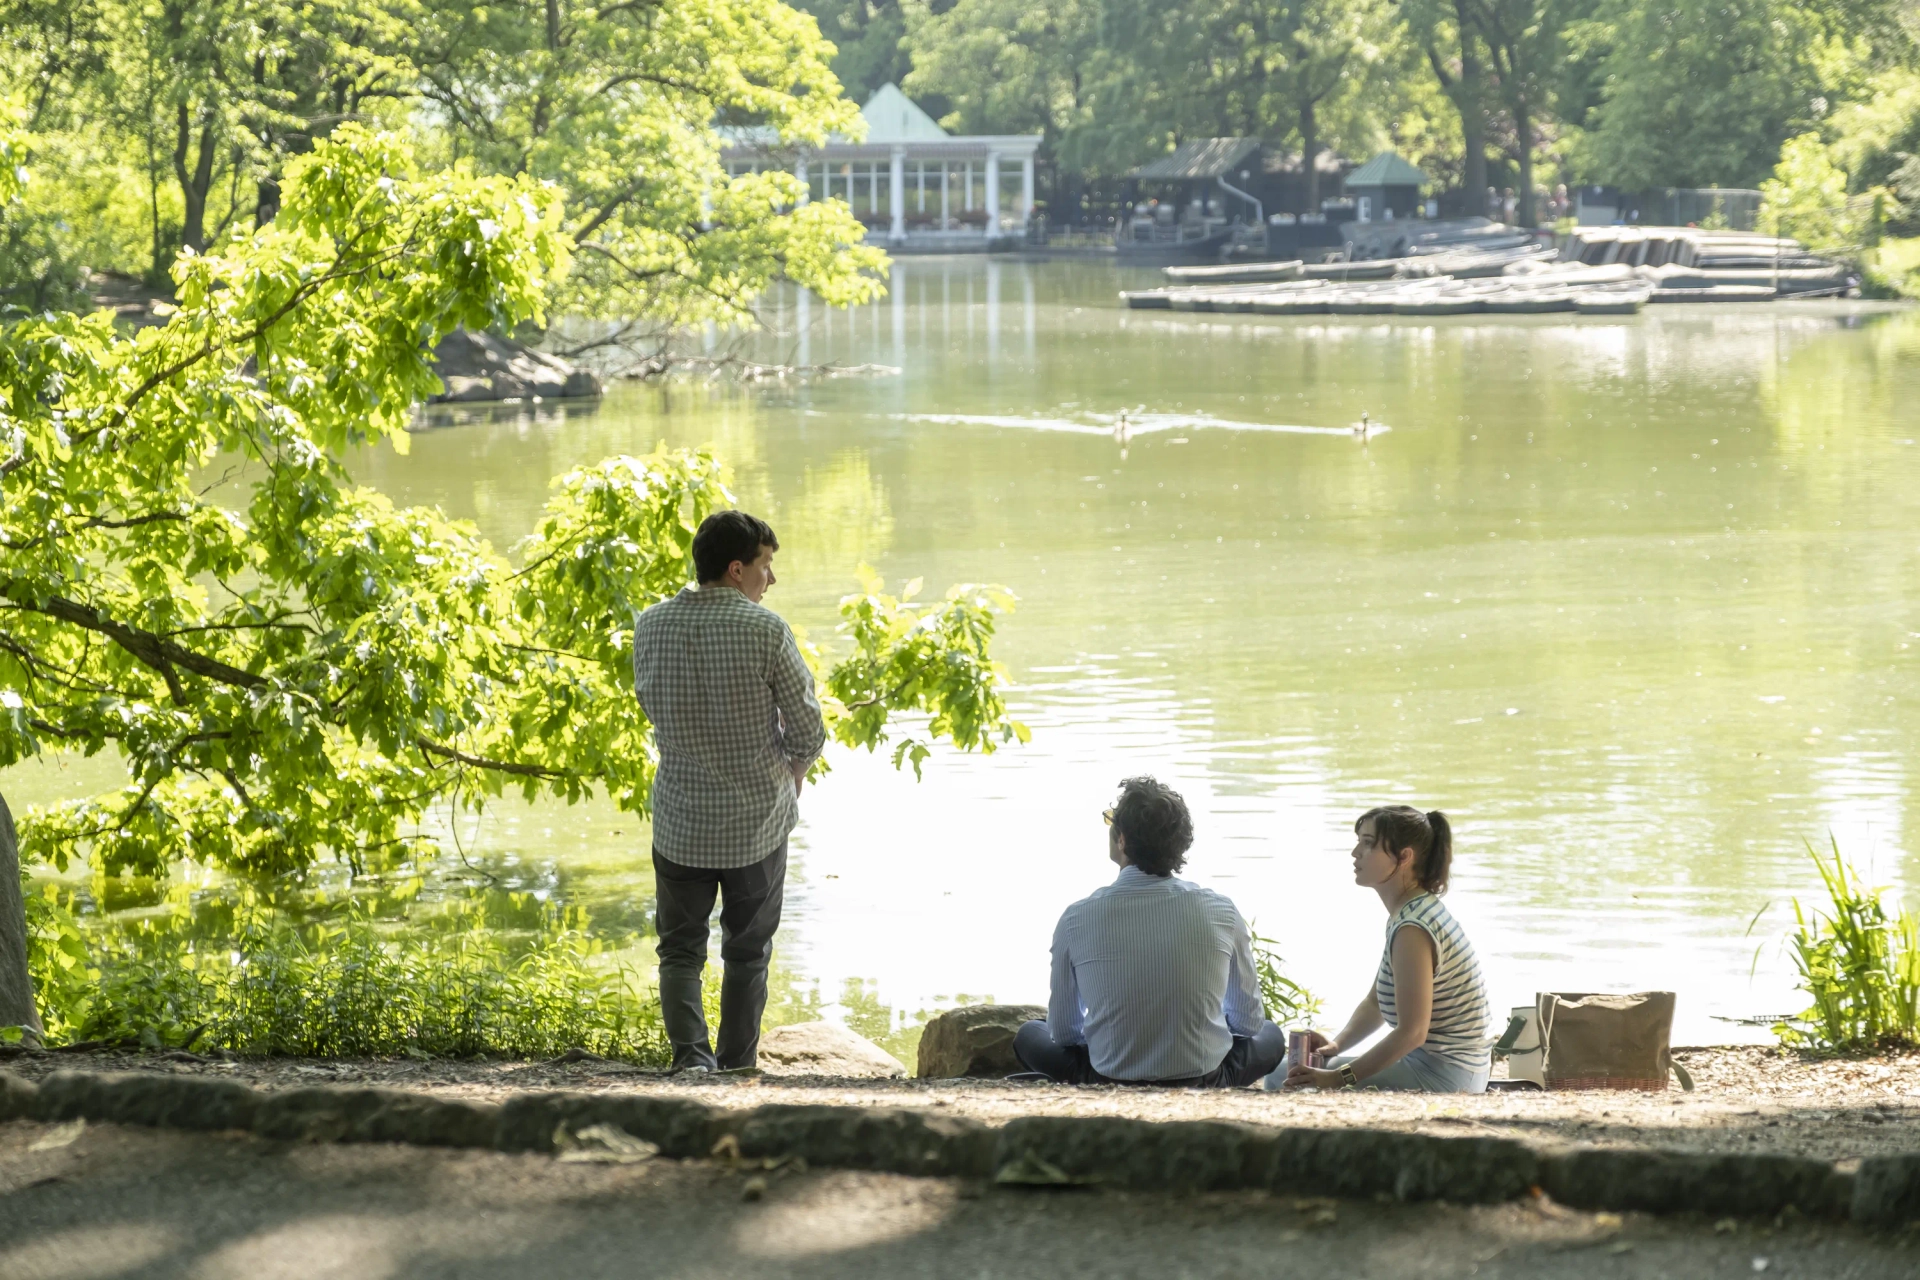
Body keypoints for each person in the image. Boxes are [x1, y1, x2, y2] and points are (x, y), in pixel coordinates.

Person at [632, 509, 826, 1074]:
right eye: (767, 566)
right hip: (756, 824)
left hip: (680, 819)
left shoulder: (650, 624)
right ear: (738, 569)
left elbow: (650, 705)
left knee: (680, 952)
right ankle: (738, 1066)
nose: (772, 579)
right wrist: (793, 772)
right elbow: (809, 728)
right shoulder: (766, 630)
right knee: (746, 953)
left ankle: (692, 1062)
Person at [1014, 777, 1286, 1088]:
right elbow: (1248, 1024)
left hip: (1105, 1078)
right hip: (1204, 1079)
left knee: (1029, 1034)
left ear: (1122, 840)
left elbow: (1063, 1033)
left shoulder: (1076, 917)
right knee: (1271, 1034)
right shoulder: (1222, 911)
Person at [1278, 807, 1491, 1093]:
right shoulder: (1410, 913)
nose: (1355, 852)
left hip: (1445, 1075)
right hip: (1445, 1067)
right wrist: (1336, 1046)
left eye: (1368, 843)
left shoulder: (1412, 928)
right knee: (1293, 1071)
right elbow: (1376, 1003)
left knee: (1282, 1077)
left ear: (1404, 857)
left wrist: (1338, 1078)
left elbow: (1412, 1033)